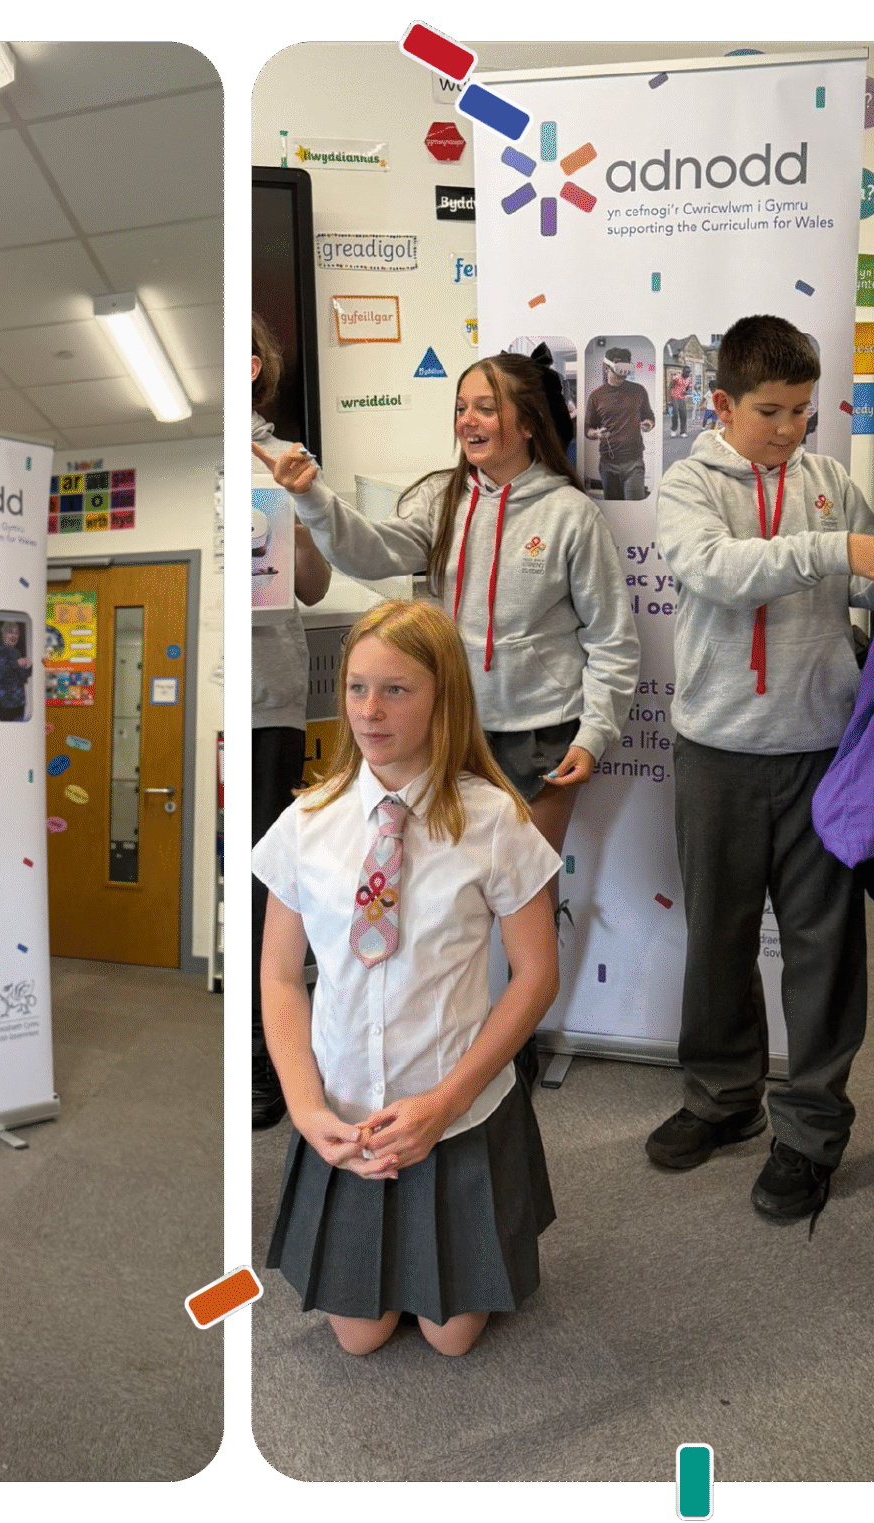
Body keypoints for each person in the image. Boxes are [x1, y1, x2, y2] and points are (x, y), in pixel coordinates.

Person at [644, 314, 874, 1221]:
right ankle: (721, 1099)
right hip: (718, 755)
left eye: (804, 413)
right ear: (722, 403)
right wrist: (838, 548)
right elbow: (713, 570)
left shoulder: (826, 482)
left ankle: (810, 1131)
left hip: (824, 755)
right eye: (771, 411)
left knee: (824, 953)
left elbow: (865, 582)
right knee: (719, 944)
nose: (789, 430)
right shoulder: (688, 484)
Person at [252, 599, 561, 1357]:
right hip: (348, 1113)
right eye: (357, 687)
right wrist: (304, 1104)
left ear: (443, 697)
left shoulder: (494, 822)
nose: (370, 710)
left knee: (450, 1335)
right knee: (361, 1338)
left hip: (453, 1110)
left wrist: (444, 1100)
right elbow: (283, 979)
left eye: (397, 689)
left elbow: (536, 975)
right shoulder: (307, 822)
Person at [255, 348, 638, 861]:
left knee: (530, 896)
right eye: (461, 408)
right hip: (453, 726)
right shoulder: (441, 499)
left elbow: (611, 638)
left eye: (485, 407)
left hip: (542, 733)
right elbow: (368, 553)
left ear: (527, 423)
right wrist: (312, 496)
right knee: (458, 897)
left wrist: (594, 734)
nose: (468, 422)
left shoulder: (570, 514)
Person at [249, 315, 332, 1130]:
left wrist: (299, 518)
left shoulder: (284, 460)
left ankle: (266, 1059)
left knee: (266, 884)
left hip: (268, 700)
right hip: (208, 701)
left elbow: (311, 587)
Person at [583, 345, 657, 499]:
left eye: (624, 375)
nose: (621, 378)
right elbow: (588, 429)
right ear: (606, 368)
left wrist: (649, 423)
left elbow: (649, 415)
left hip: (634, 462)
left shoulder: (639, 391)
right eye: (618, 374)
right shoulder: (596, 397)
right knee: (613, 508)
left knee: (634, 507)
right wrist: (596, 433)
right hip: (608, 464)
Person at [0, 622, 32, 721]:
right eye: (10, 632)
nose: (14, 635)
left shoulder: (17, 653)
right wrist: (17, 664)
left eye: (16, 633)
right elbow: (0, 674)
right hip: (5, 704)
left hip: (19, 702)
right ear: (4, 635)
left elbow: (23, 677)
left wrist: (29, 667)